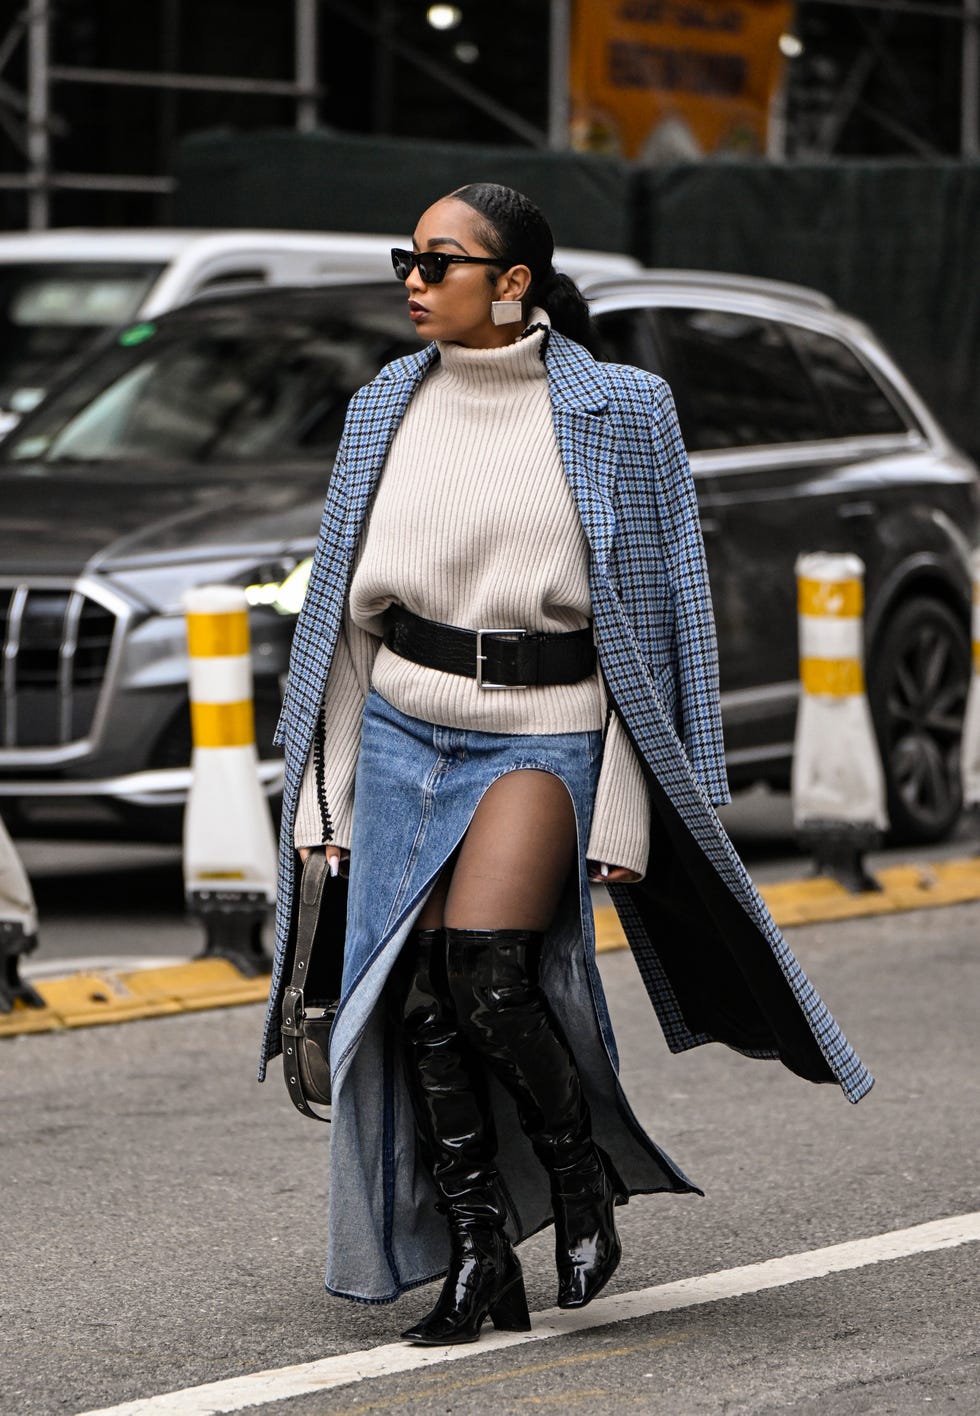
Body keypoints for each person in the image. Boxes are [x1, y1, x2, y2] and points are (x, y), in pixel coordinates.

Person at [258, 183, 872, 1343]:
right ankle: (481, 1249)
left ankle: (578, 1173)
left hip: (546, 723)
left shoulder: (621, 410)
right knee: (414, 998)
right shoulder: (383, 402)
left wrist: (630, 813)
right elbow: (342, 620)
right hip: (397, 723)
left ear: (513, 283)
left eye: (436, 261)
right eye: (408, 258)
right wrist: (321, 792)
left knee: (487, 972)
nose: (411, 280)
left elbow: (661, 627)